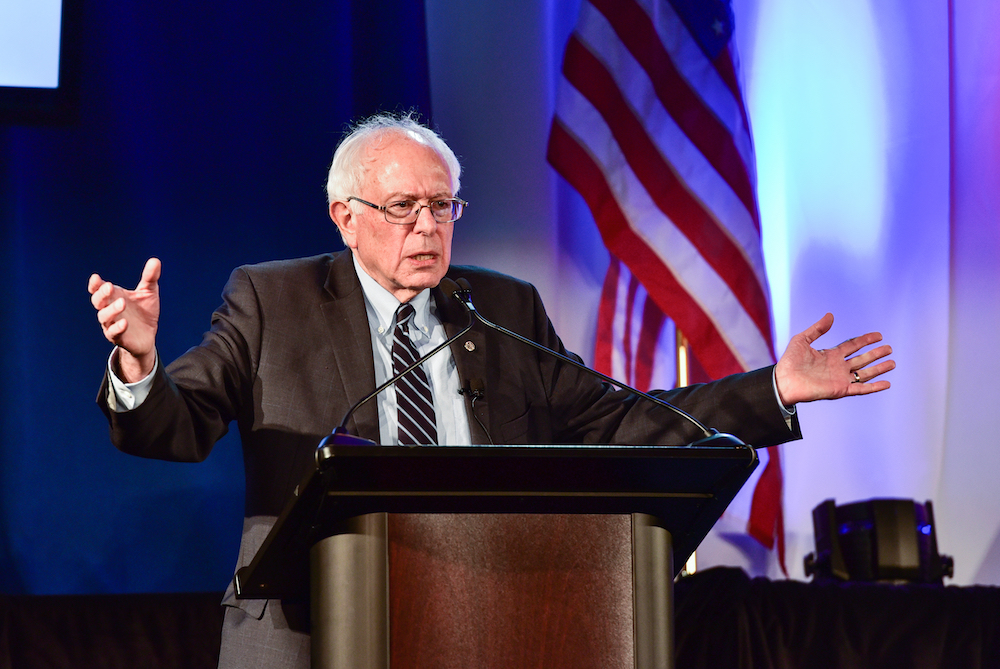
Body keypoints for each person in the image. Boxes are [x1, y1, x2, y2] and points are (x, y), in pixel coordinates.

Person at [88, 113, 894, 669]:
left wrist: (775, 389)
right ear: (345, 215)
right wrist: (139, 364)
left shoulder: (501, 310)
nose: (428, 228)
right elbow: (179, 424)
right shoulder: (274, 302)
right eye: (404, 208)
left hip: (488, 621)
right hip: (307, 632)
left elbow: (622, 422)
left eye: (443, 206)